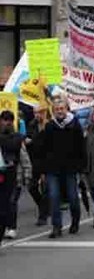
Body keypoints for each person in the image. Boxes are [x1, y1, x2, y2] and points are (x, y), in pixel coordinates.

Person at [42, 99, 85, 238]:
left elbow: (81, 147)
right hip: (53, 168)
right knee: (54, 197)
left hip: (70, 168)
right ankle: (56, 226)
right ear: (53, 111)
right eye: (57, 109)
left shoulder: (75, 125)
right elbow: (44, 149)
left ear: (67, 109)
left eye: (62, 108)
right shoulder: (49, 126)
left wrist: (81, 167)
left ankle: (75, 221)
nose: (59, 111)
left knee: (73, 197)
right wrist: (44, 169)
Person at [0, 110, 31, 243]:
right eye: (4, 120)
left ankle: (10, 227)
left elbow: (23, 156)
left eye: (9, 120)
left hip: (12, 174)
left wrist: (27, 174)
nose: (6, 123)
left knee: (8, 204)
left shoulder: (17, 137)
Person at [25, 104, 50, 226]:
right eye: (35, 113)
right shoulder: (32, 125)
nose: (37, 115)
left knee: (46, 188)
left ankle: (43, 215)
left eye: (39, 112)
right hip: (34, 160)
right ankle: (43, 207)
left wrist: (33, 140)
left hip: (47, 161)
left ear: (44, 112)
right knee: (32, 187)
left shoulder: (50, 126)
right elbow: (29, 139)